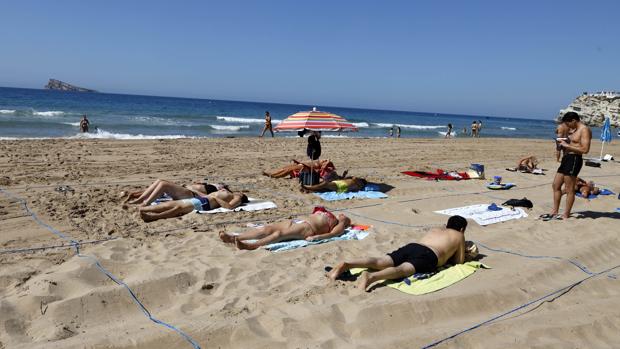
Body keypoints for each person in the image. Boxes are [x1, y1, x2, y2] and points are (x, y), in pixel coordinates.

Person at [327, 215, 468, 292]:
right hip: (430, 255)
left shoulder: (436, 229)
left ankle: (348, 264)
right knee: (402, 270)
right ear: (462, 229)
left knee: (381, 261)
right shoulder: (459, 235)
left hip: (414, 246)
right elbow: (459, 261)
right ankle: (371, 277)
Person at [220, 206, 351, 250]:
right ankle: (233, 237)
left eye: (343, 217)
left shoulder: (341, 222)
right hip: (298, 221)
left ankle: (250, 246)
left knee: (278, 234)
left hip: (308, 228)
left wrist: (318, 237)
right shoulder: (332, 216)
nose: (342, 215)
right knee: (266, 229)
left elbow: (334, 234)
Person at [543, 112, 592, 220]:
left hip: (574, 159)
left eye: (568, 123)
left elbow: (585, 150)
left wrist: (568, 145)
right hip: (566, 159)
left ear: (574, 120)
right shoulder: (573, 130)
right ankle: (555, 211)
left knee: (569, 189)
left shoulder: (584, 130)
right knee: (555, 185)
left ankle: (566, 214)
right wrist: (562, 145)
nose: (567, 126)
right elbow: (572, 144)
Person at [138, 187, 249, 222]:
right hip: (201, 199)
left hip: (205, 204)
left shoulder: (237, 197)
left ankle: (152, 217)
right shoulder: (228, 192)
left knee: (178, 208)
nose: (239, 191)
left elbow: (229, 207)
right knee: (171, 204)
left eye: (241, 192)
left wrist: (215, 197)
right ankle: (144, 209)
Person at [122, 179, 220, 206]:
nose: (222, 185)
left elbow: (207, 197)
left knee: (164, 184)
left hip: (191, 194)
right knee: (160, 181)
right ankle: (140, 199)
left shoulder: (216, 190)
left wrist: (193, 189)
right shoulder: (208, 184)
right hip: (186, 190)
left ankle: (145, 203)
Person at [262, 159, 338, 180]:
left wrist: (327, 162)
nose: (324, 161)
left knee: (288, 170)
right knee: (286, 167)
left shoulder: (326, 167)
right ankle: (273, 174)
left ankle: (273, 176)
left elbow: (320, 170)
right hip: (302, 164)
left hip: (304, 167)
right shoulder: (325, 163)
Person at [301, 177, 367, 193]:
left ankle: (309, 188)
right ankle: (310, 189)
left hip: (341, 186)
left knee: (325, 184)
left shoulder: (360, 184)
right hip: (341, 185)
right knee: (324, 186)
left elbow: (354, 178)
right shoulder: (358, 186)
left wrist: (358, 179)